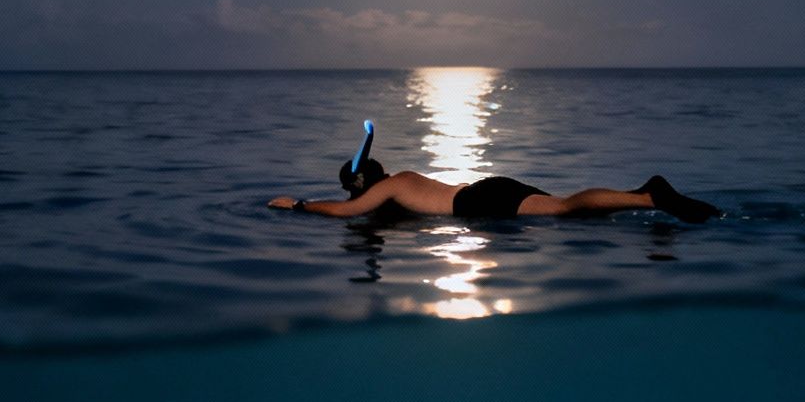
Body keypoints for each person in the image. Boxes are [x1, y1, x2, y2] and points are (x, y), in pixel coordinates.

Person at [268, 157, 721, 223]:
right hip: (488, 189)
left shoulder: (391, 187)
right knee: (569, 211)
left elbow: (349, 212)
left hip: (478, 202)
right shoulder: (405, 183)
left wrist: (299, 205)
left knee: (564, 211)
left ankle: (647, 197)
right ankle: (637, 197)